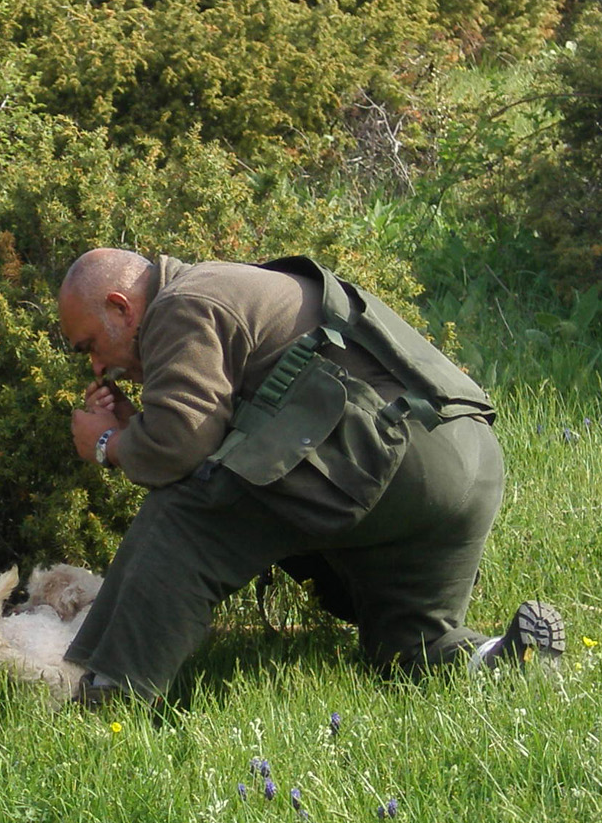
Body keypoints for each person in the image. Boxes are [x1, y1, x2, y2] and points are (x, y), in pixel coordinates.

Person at [57, 248, 564, 706]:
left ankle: (112, 695)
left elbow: (180, 447)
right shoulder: (227, 285)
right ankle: (498, 659)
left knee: (185, 516)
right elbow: (212, 426)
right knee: (410, 645)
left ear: (123, 307)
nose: (99, 367)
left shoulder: (180, 304)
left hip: (381, 458)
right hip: (466, 458)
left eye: (91, 346)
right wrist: (133, 427)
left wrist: (106, 444)